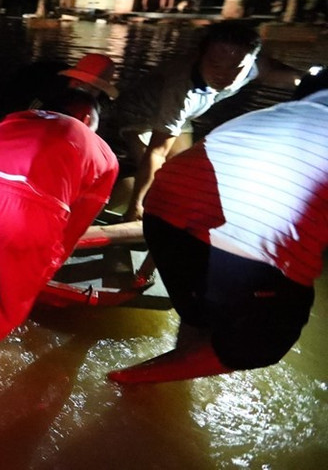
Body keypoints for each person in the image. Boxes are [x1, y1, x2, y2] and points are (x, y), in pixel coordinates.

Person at [108, 88, 328, 384]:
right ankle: (133, 378)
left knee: (201, 306)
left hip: (163, 206)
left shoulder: (284, 113)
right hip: (236, 233)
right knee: (270, 338)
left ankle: (172, 368)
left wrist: (151, 265)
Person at [0, 89, 118, 349]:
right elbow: (77, 224)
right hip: (27, 211)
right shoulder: (105, 155)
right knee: (14, 308)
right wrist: (48, 265)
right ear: (87, 120)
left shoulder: (18, 118)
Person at [117, 21, 301, 222]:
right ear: (200, 56)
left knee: (183, 176)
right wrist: (137, 205)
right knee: (160, 178)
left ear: (251, 61)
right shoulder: (180, 88)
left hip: (183, 116)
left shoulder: (255, 67)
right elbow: (157, 152)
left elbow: (289, 76)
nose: (223, 74)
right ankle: (129, 206)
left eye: (235, 67)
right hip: (138, 114)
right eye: (215, 65)